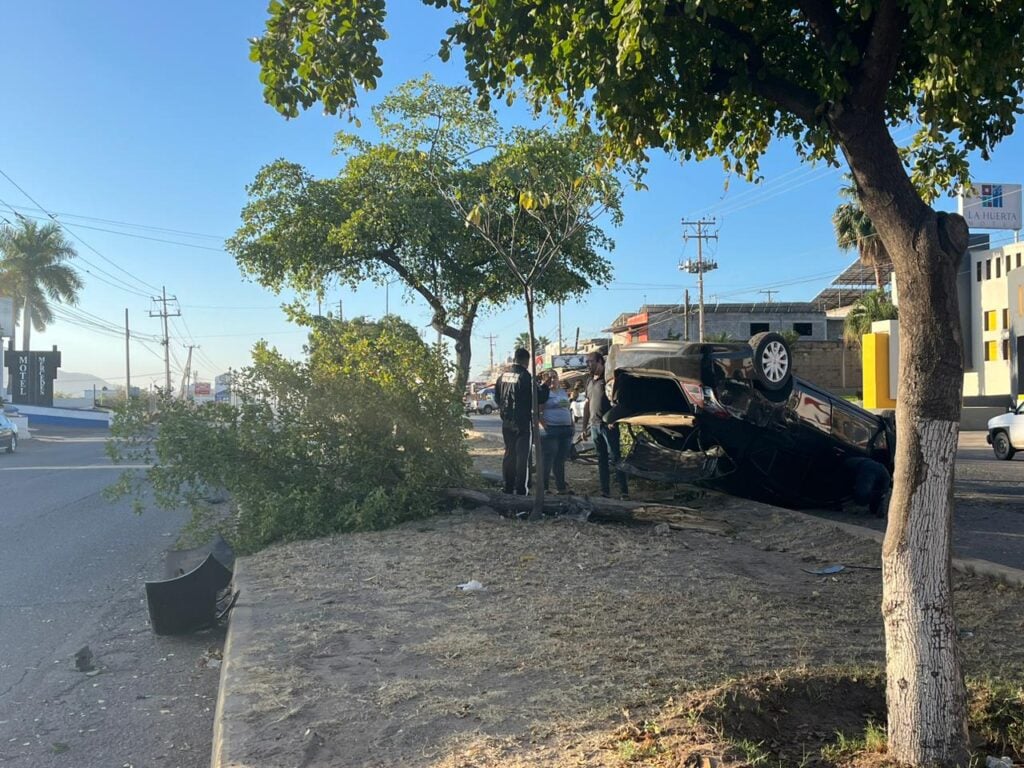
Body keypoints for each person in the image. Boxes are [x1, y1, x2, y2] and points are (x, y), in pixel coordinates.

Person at [494, 348, 548, 495]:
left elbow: (497, 399)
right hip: (523, 422)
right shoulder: (526, 377)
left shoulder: (502, 376)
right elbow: (540, 398)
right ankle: (521, 489)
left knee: (509, 454)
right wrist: (545, 385)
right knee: (523, 457)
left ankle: (507, 487)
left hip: (507, 422)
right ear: (527, 361)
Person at [582, 350, 629, 499]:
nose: (588, 365)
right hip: (594, 426)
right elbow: (587, 404)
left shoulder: (609, 380)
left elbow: (620, 403)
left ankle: (624, 492)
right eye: (587, 362)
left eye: (591, 362)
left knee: (615, 458)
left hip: (608, 426)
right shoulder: (589, 381)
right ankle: (605, 490)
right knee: (601, 459)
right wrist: (584, 426)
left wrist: (613, 419)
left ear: (600, 362)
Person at [539, 370, 573, 494]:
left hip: (566, 429)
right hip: (551, 429)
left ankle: (561, 487)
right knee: (547, 459)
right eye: (550, 378)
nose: (553, 380)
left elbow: (567, 408)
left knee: (560, 460)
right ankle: (544, 488)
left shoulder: (562, 392)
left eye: (555, 377)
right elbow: (539, 411)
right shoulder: (544, 392)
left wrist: (571, 424)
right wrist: (544, 426)